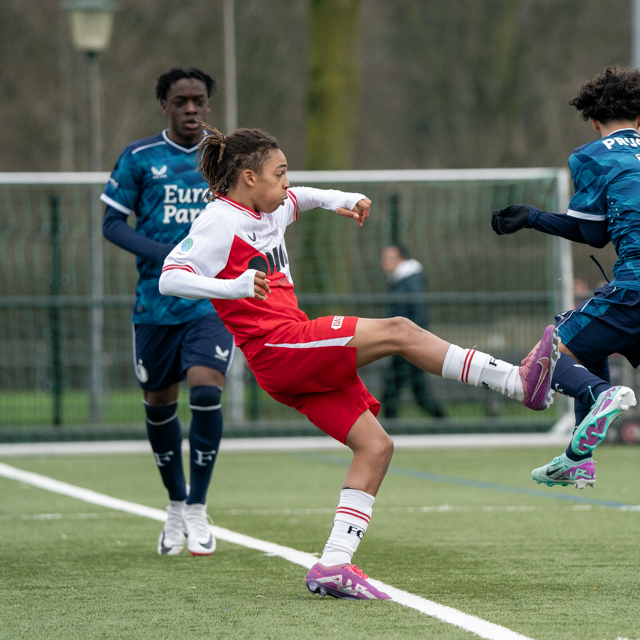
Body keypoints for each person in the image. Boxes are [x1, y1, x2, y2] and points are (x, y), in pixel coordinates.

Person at [158, 121, 559, 599]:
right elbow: (170, 278)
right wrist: (232, 287)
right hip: (279, 348)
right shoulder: (219, 221)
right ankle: (517, 382)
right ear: (248, 178)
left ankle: (332, 564)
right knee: (399, 331)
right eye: (279, 172)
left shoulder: (271, 205)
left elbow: (300, 197)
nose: (287, 182)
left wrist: (338, 197)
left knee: (376, 447)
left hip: (290, 358)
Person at [491, 65, 640, 489]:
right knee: (587, 349)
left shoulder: (591, 155)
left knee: (548, 353)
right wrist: (534, 218)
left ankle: (598, 397)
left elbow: (590, 232)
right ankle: (578, 457)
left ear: (594, 120)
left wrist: (533, 217)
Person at [101, 67, 230, 556]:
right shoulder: (139, 158)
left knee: (204, 387)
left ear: (208, 105)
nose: (190, 108)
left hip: (210, 302)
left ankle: (198, 506)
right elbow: (112, 224)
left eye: (198, 100)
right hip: (154, 305)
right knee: (159, 405)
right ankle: (175, 504)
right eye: (181, 101)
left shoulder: (226, 157)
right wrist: (163, 254)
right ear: (166, 106)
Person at [379, 244, 446, 419]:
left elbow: (418, 312)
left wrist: (412, 339)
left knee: (398, 386)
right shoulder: (402, 280)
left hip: (406, 343)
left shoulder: (409, 280)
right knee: (409, 387)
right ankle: (442, 422)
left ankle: (442, 422)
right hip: (402, 342)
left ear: (400, 259)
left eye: (387, 259)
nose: (383, 263)